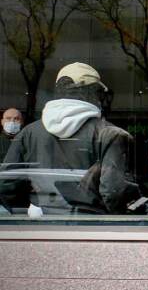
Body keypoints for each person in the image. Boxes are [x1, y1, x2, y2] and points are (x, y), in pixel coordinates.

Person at [1, 63, 139, 213]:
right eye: (100, 92)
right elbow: (115, 193)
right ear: (91, 92)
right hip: (93, 228)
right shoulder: (111, 134)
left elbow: (7, 185)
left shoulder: (29, 132)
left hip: (40, 227)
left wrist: (35, 208)